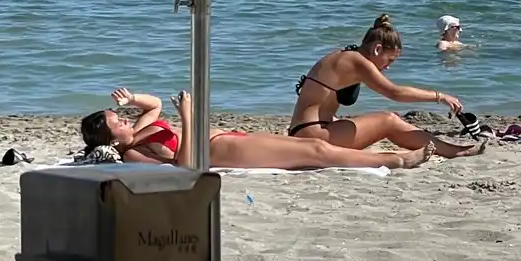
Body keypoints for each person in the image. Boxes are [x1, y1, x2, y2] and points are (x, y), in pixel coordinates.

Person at [81, 88, 434, 170]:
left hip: (229, 138)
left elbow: (154, 105)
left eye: (121, 115)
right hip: (221, 152)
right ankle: (399, 160)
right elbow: (183, 168)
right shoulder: (132, 154)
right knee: (314, 153)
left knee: (307, 152)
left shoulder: (141, 129)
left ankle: (388, 158)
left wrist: (131, 100)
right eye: (117, 121)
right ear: (110, 137)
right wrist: (188, 118)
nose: (124, 118)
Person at [287, 14, 485, 158]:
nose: (388, 67)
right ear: (377, 48)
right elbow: (394, 92)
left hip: (307, 131)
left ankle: (447, 148)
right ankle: (453, 151)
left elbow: (319, 103)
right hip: (312, 136)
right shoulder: (356, 61)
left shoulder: (345, 57)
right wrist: (439, 96)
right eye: (389, 60)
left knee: (383, 120)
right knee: (388, 120)